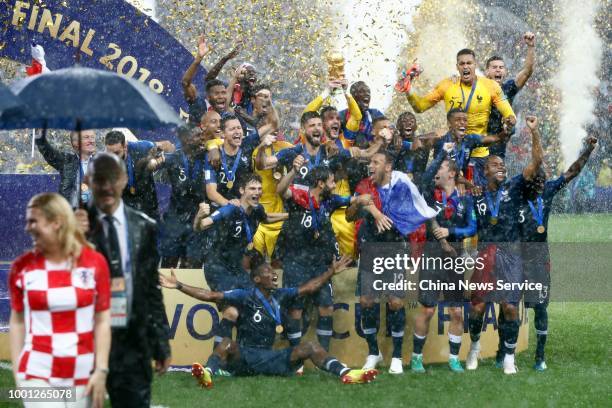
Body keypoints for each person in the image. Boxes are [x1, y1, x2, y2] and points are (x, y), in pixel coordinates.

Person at [159, 254, 379, 385]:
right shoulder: (244, 295)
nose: (273, 275)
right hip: (244, 356)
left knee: (310, 346)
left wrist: (331, 271)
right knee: (226, 344)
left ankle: (347, 374)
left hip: (271, 356)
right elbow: (210, 295)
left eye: (273, 272)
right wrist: (178, 285)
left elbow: (309, 287)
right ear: (256, 279)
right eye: (267, 272)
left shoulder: (280, 295)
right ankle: (208, 373)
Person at [78, 153, 171, 406]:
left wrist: (161, 341)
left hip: (133, 338)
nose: (106, 186)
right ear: (88, 180)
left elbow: (151, 288)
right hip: (85, 338)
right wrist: (73, 239)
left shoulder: (144, 226)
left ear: (124, 179)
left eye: (112, 178)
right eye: (99, 179)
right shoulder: (73, 227)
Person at [498, 135, 597, 371]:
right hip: (515, 259)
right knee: (509, 306)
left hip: (539, 261)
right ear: (529, 181)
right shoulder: (516, 194)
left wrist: (587, 150)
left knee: (540, 307)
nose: (542, 182)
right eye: (538, 179)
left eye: (544, 180)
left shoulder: (548, 191)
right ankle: (504, 353)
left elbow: (572, 172)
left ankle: (540, 357)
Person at [9, 193, 110, 408]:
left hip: (82, 373)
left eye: (33, 221)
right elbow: (17, 321)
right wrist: (19, 372)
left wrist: (101, 369)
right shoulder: (22, 267)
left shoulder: (94, 263)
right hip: (36, 372)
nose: (27, 228)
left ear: (56, 222)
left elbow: (102, 320)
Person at [346, 151, 437, 374]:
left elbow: (415, 212)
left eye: (375, 162)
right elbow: (349, 216)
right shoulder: (365, 186)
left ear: (388, 167)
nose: (370, 165)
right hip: (370, 251)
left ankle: (396, 356)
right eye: (370, 162)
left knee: (396, 302)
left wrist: (381, 213)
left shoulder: (401, 187)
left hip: (395, 249)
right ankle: (372, 352)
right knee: (367, 301)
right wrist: (359, 203)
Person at [466, 115, 543, 375]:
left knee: (510, 307)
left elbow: (536, 162)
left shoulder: (513, 187)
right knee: (477, 309)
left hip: (511, 254)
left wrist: (534, 132)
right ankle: (474, 347)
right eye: (495, 165)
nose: (501, 168)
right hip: (486, 254)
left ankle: (509, 357)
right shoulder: (476, 193)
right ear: (485, 171)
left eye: (503, 165)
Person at [275, 165, 370, 353]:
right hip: (296, 261)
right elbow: (280, 190)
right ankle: (296, 356)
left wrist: (361, 200)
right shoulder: (299, 197)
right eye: (332, 182)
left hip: (320, 263)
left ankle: (323, 355)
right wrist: (294, 171)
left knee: (326, 307)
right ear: (320, 183)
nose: (334, 186)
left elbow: (351, 199)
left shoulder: (330, 201)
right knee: (295, 311)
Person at [193, 173, 287, 347]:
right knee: (232, 313)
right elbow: (200, 226)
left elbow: (266, 218)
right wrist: (199, 216)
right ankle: (217, 360)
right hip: (217, 267)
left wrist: (288, 216)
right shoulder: (230, 209)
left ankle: (244, 355)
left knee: (254, 305)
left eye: (259, 189)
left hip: (237, 269)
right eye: (252, 188)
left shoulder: (257, 210)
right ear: (242, 190)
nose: (257, 192)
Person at [411, 154, 476, 373]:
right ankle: (416, 357)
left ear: (451, 174)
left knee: (457, 312)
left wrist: (452, 232)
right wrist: (440, 152)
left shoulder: (466, 200)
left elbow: (472, 227)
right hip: (432, 255)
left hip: (454, 257)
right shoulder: (430, 194)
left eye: (441, 167)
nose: (436, 171)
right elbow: (425, 181)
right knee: (428, 310)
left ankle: (454, 359)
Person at [404, 48, 517, 167]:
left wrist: (509, 122)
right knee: (422, 142)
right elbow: (420, 107)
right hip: (452, 151)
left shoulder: (491, 86)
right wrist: (408, 89)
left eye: (469, 63)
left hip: (479, 155)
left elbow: (510, 114)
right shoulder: (447, 85)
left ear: (475, 65)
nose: (465, 67)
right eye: (462, 64)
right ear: (457, 66)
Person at [147, 124, 207, 268]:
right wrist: (152, 159)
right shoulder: (173, 158)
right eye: (197, 135)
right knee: (170, 261)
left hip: (198, 217)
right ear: (185, 139)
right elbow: (151, 165)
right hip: (176, 217)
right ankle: (167, 288)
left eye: (202, 135)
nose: (202, 139)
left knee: (193, 263)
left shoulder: (208, 156)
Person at [485, 32, 536, 158]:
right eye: (494, 67)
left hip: (498, 149)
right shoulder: (478, 87)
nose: (498, 70)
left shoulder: (508, 88)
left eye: (501, 67)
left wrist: (530, 47)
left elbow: (527, 72)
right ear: (487, 71)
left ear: (505, 72)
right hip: (478, 146)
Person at [104, 130, 174, 220]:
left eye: (117, 153)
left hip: (148, 202)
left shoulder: (139, 147)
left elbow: (168, 145)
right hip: (126, 207)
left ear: (125, 147)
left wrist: (162, 156)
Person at [433, 108, 512, 186]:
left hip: (459, 182)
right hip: (442, 185)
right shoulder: (442, 143)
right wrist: (470, 186)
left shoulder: (469, 139)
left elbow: (496, 138)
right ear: (449, 124)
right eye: (458, 120)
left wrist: (506, 131)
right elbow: (450, 172)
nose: (462, 123)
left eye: (465, 120)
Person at [182, 34, 241, 123]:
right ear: (208, 97)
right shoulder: (199, 105)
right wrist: (198, 59)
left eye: (223, 93)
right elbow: (185, 83)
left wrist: (226, 59)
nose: (221, 96)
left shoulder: (227, 113)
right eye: (217, 93)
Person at [35, 129, 97, 207]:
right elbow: (48, 152)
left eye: (92, 137)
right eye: (86, 137)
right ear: (76, 143)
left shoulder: (102, 162)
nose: (91, 141)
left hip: (95, 214)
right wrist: (40, 136)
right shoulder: (66, 161)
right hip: (71, 213)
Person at [340, 81, 384, 146]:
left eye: (368, 92)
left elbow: (389, 129)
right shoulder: (341, 116)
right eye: (361, 92)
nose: (367, 94)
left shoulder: (375, 114)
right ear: (353, 96)